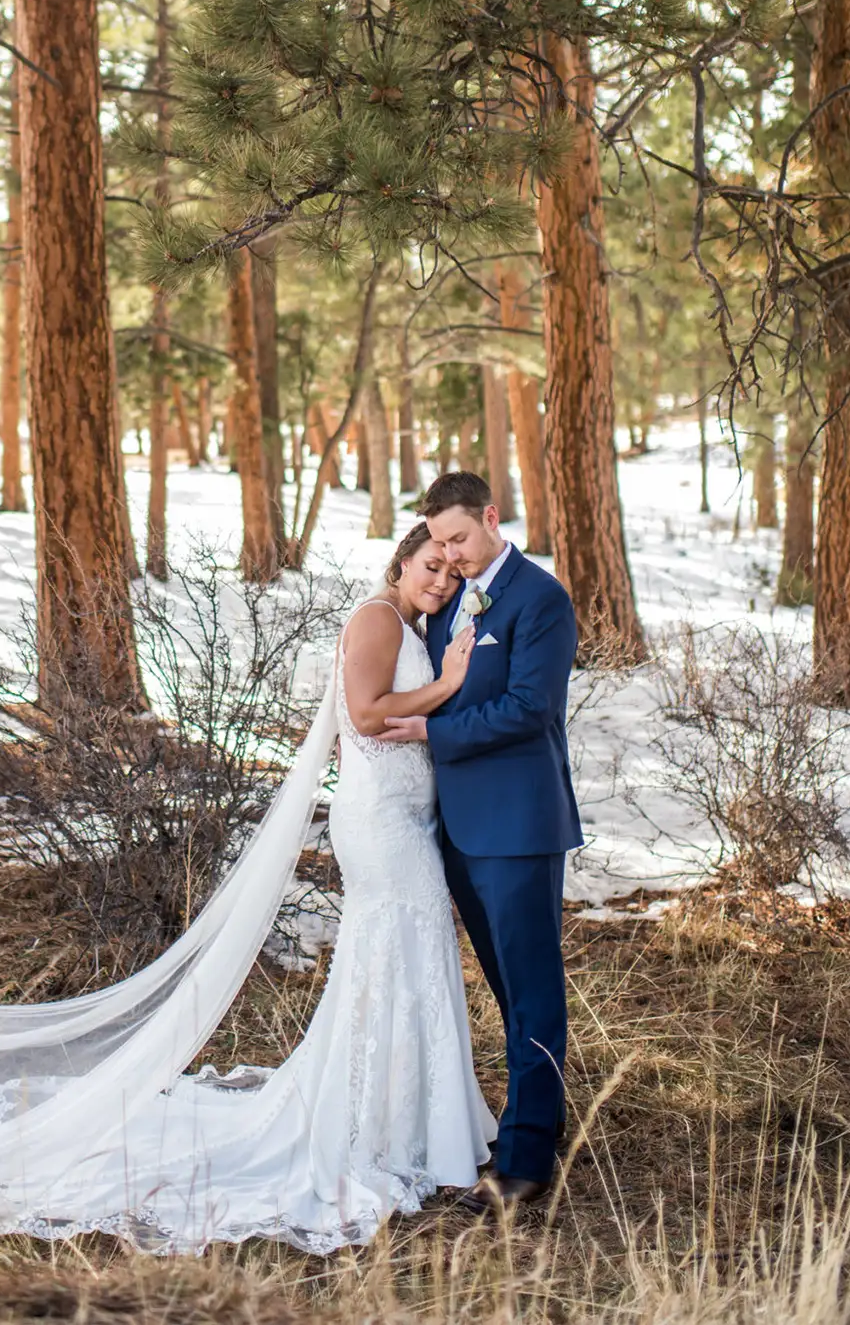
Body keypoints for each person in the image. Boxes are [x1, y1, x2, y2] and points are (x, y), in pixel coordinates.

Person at [0, 522, 500, 1252]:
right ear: (400, 563)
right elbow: (369, 716)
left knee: (402, 960)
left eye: (450, 572)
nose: (440, 578)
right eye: (429, 564)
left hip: (402, 818)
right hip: (382, 828)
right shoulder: (376, 618)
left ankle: (407, 1116)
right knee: (395, 954)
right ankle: (387, 1122)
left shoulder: (413, 627)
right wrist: (452, 684)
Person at [371, 470, 584, 1207]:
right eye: (438, 542)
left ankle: (526, 1158)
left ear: (492, 517)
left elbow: (529, 709)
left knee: (531, 988)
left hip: (519, 824)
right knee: (507, 988)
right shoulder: (453, 595)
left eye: (459, 538)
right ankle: (542, 1109)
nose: (451, 554)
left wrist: (433, 729)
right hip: (457, 827)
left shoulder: (541, 598)